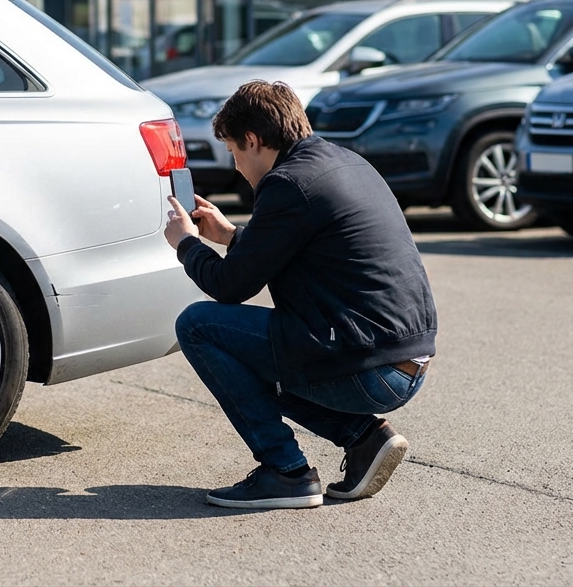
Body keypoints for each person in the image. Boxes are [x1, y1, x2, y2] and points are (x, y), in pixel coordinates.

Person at [163, 80, 437, 509]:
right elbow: (302, 245)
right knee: (255, 354)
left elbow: (229, 286)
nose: (236, 166)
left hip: (369, 370)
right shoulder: (344, 163)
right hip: (404, 362)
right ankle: (364, 439)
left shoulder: (287, 183)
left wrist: (187, 243)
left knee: (199, 326)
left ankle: (286, 472)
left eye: (234, 151)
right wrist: (233, 235)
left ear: (253, 140)